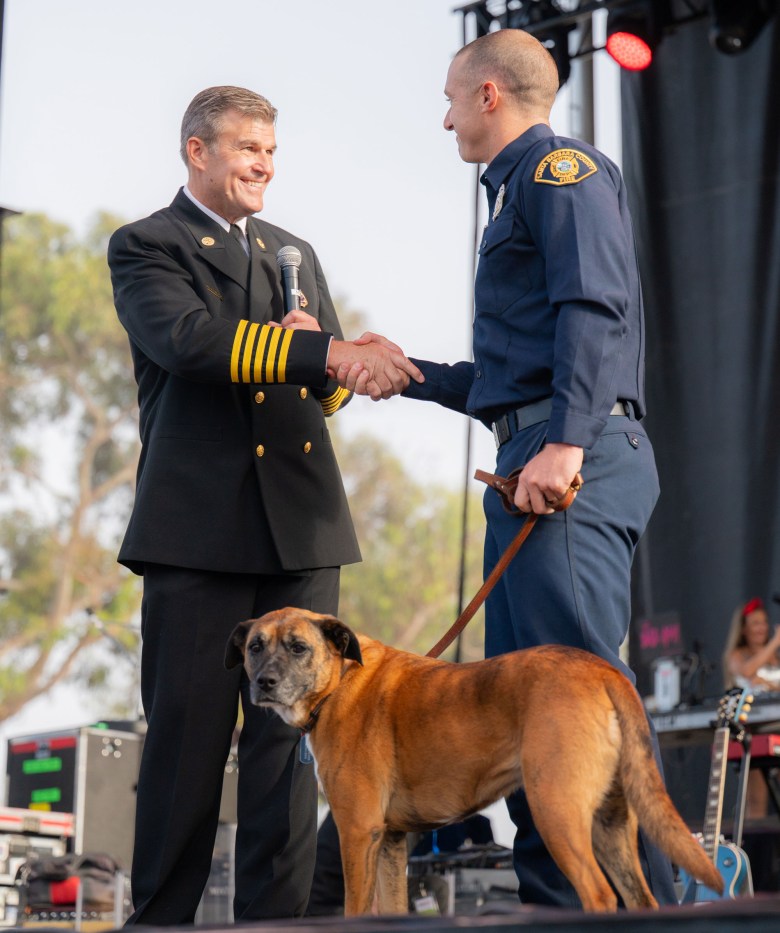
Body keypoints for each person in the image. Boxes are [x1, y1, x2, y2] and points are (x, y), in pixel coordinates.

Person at [337, 29, 677, 908]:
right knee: (524, 723)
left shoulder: (558, 173)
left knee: (575, 709)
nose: (444, 116)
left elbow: (591, 309)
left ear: (490, 94)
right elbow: (506, 377)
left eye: (452, 97)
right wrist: (400, 370)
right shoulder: (516, 191)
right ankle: (558, 909)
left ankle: (657, 916)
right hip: (533, 457)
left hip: (570, 462)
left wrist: (564, 441)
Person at [107, 85, 421, 925]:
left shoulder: (292, 250)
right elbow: (191, 344)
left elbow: (326, 393)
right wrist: (319, 348)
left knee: (290, 750)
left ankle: (277, 926)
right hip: (198, 533)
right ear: (196, 152)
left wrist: (349, 364)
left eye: (272, 152)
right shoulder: (146, 245)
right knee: (187, 742)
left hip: (300, 529)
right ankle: (162, 920)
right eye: (247, 148)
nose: (263, 165)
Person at [723, 597, 780, 820]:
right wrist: (774, 643)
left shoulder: (775, 658)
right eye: (755, 623)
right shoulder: (736, 655)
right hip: (751, 731)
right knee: (756, 798)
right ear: (744, 629)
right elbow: (746, 672)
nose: (761, 628)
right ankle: (751, 851)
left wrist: (766, 683)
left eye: (763, 622)